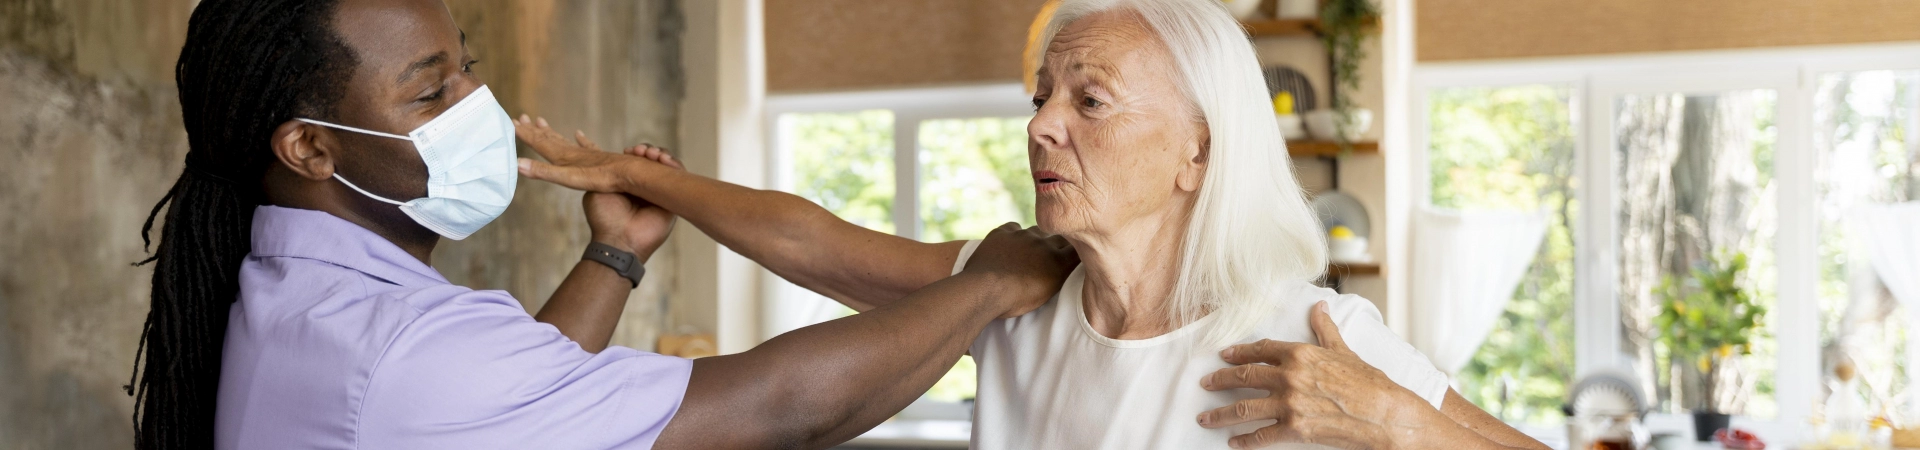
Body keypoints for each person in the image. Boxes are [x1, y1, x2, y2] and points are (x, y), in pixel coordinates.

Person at [514, 0, 1552, 448]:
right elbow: (811, 241)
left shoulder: (1311, 341)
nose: (1043, 128)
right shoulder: (1015, 287)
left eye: (1088, 102)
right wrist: (634, 177)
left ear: (1199, 152)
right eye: (1041, 100)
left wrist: (1396, 422)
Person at [127, 0, 1077, 448]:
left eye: (466, 66)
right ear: (311, 148)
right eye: (431, 94)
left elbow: (508, 407)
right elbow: (782, 408)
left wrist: (614, 253)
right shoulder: (398, 353)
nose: (480, 104)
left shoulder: (297, 295)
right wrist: (987, 283)